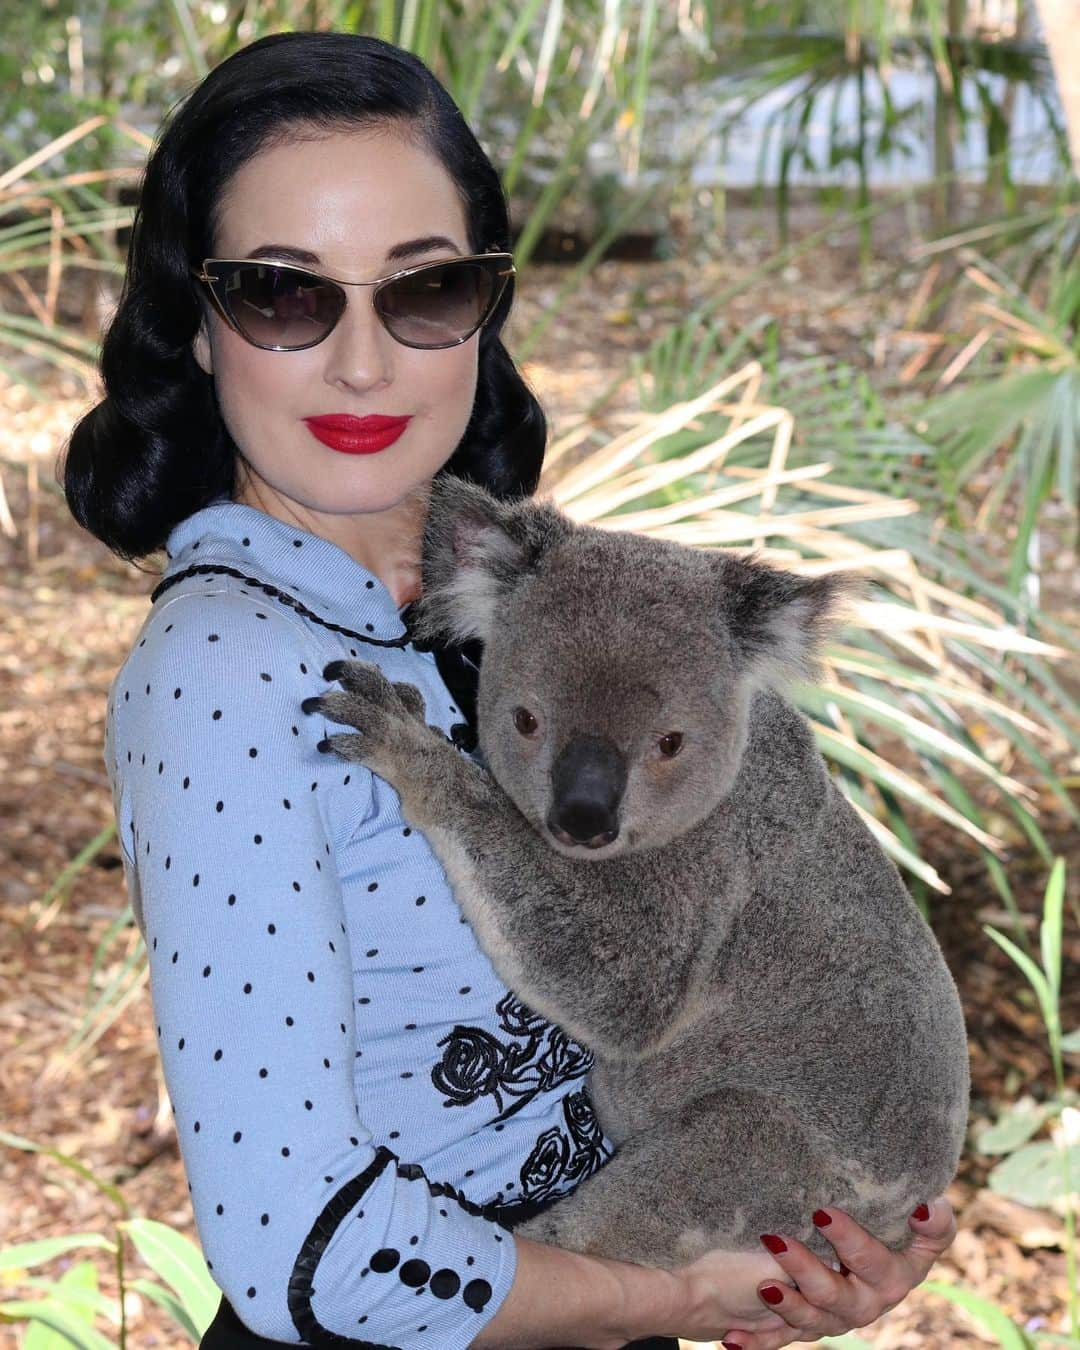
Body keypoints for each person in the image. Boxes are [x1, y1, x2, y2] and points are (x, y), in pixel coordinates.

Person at [61, 30, 957, 1350]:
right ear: (193, 325)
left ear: (484, 303)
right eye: (281, 292)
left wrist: (808, 1226)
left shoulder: (534, 609)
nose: (364, 361)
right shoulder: (225, 672)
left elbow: (743, 959)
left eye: (422, 292)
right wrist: (652, 1294)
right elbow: (300, 1245)